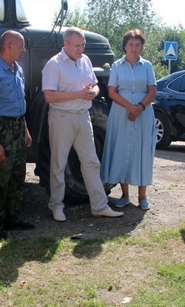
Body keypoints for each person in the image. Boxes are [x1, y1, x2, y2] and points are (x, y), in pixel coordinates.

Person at [41, 27, 124, 222]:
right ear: (66, 44)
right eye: (77, 45)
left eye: (83, 44)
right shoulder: (54, 64)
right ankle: (57, 206)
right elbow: (49, 95)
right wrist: (78, 94)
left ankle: (99, 206)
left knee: (91, 162)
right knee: (58, 164)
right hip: (62, 117)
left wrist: (93, 93)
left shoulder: (85, 61)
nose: (81, 49)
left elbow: (94, 84)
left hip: (83, 115)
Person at [0, 30, 35, 241]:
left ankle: (12, 218)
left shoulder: (17, 69)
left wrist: (26, 130)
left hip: (18, 126)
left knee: (17, 175)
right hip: (2, 129)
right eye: (21, 46)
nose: (24, 50)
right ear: (9, 46)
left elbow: (20, 102)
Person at [100, 29, 157, 210]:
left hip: (144, 113)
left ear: (142, 47)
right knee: (122, 149)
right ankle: (124, 195)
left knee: (142, 151)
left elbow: (152, 91)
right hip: (121, 112)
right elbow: (111, 91)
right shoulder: (117, 66)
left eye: (137, 45)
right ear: (125, 46)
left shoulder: (147, 66)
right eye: (131, 44)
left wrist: (139, 107)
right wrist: (129, 107)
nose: (134, 48)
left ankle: (142, 196)